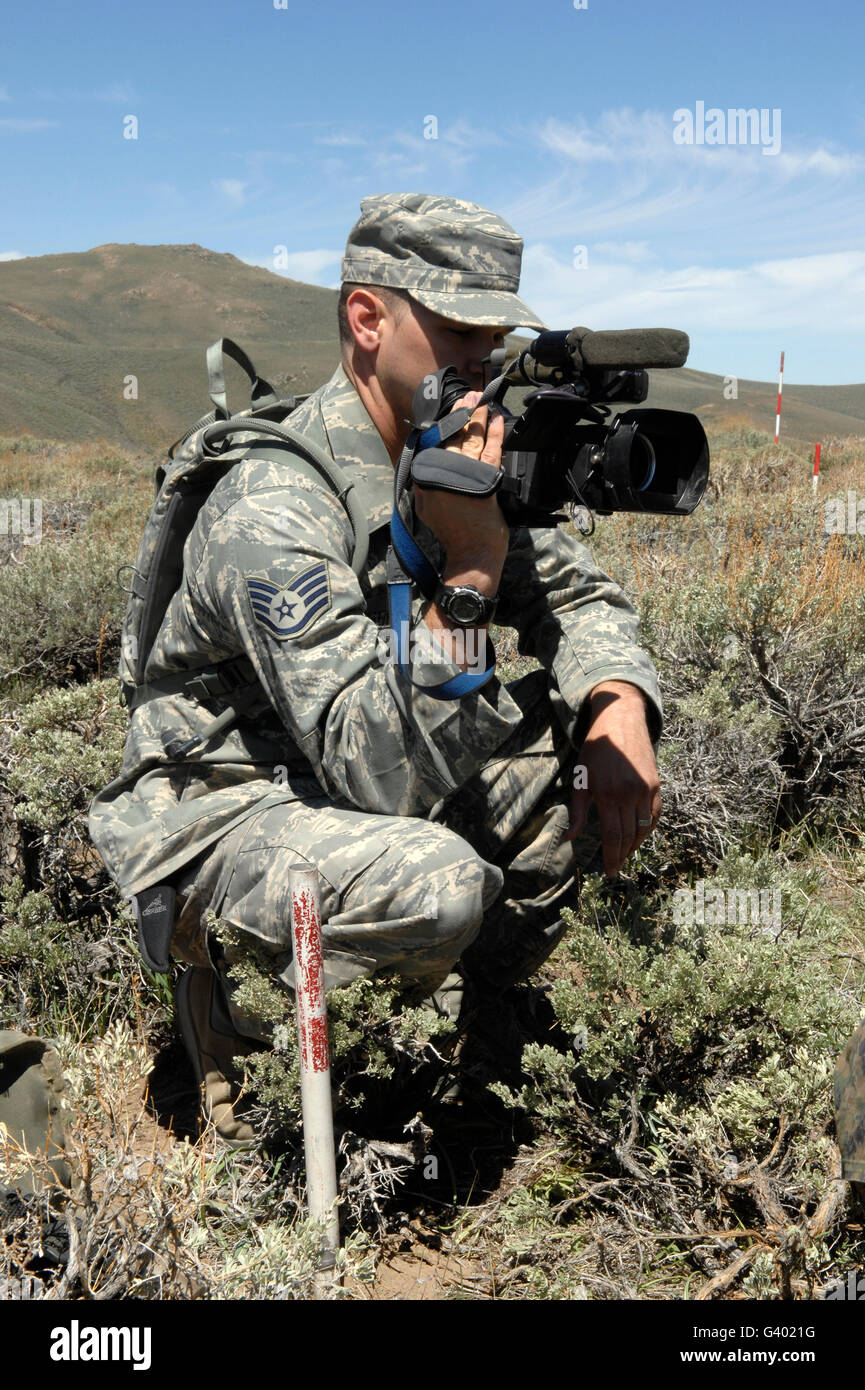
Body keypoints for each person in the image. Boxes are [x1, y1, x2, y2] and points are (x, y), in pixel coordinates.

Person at [89, 193, 663, 1144]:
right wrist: (471, 572)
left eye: (495, 340)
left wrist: (616, 701)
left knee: (570, 752)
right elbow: (374, 772)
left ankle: (478, 1037)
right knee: (438, 883)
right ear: (367, 319)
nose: (482, 366)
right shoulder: (272, 503)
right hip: (230, 807)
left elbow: (576, 595)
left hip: (353, 777)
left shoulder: (441, 454)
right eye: (458, 333)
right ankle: (241, 1021)